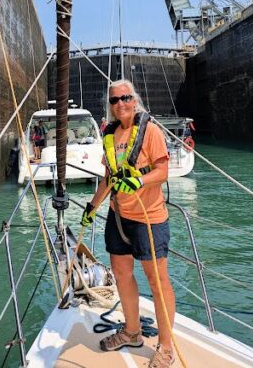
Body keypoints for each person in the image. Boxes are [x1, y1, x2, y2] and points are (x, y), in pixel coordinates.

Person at [80, 80, 176, 368]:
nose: (120, 103)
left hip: (149, 219)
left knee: (158, 282)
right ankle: (132, 333)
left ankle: (166, 347)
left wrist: (139, 181)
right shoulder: (110, 135)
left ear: (134, 100)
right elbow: (109, 178)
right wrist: (92, 207)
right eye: (114, 100)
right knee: (122, 275)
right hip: (118, 216)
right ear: (110, 105)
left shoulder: (151, 131)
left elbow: (163, 171)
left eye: (125, 98)